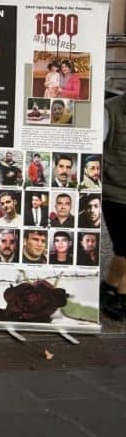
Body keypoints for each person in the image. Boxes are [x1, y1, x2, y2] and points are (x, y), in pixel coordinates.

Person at [103, 92, 126, 319]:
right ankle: (121, 297)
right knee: (124, 247)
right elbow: (96, 146)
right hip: (116, 191)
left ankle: (110, 287)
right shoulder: (110, 109)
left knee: (122, 249)